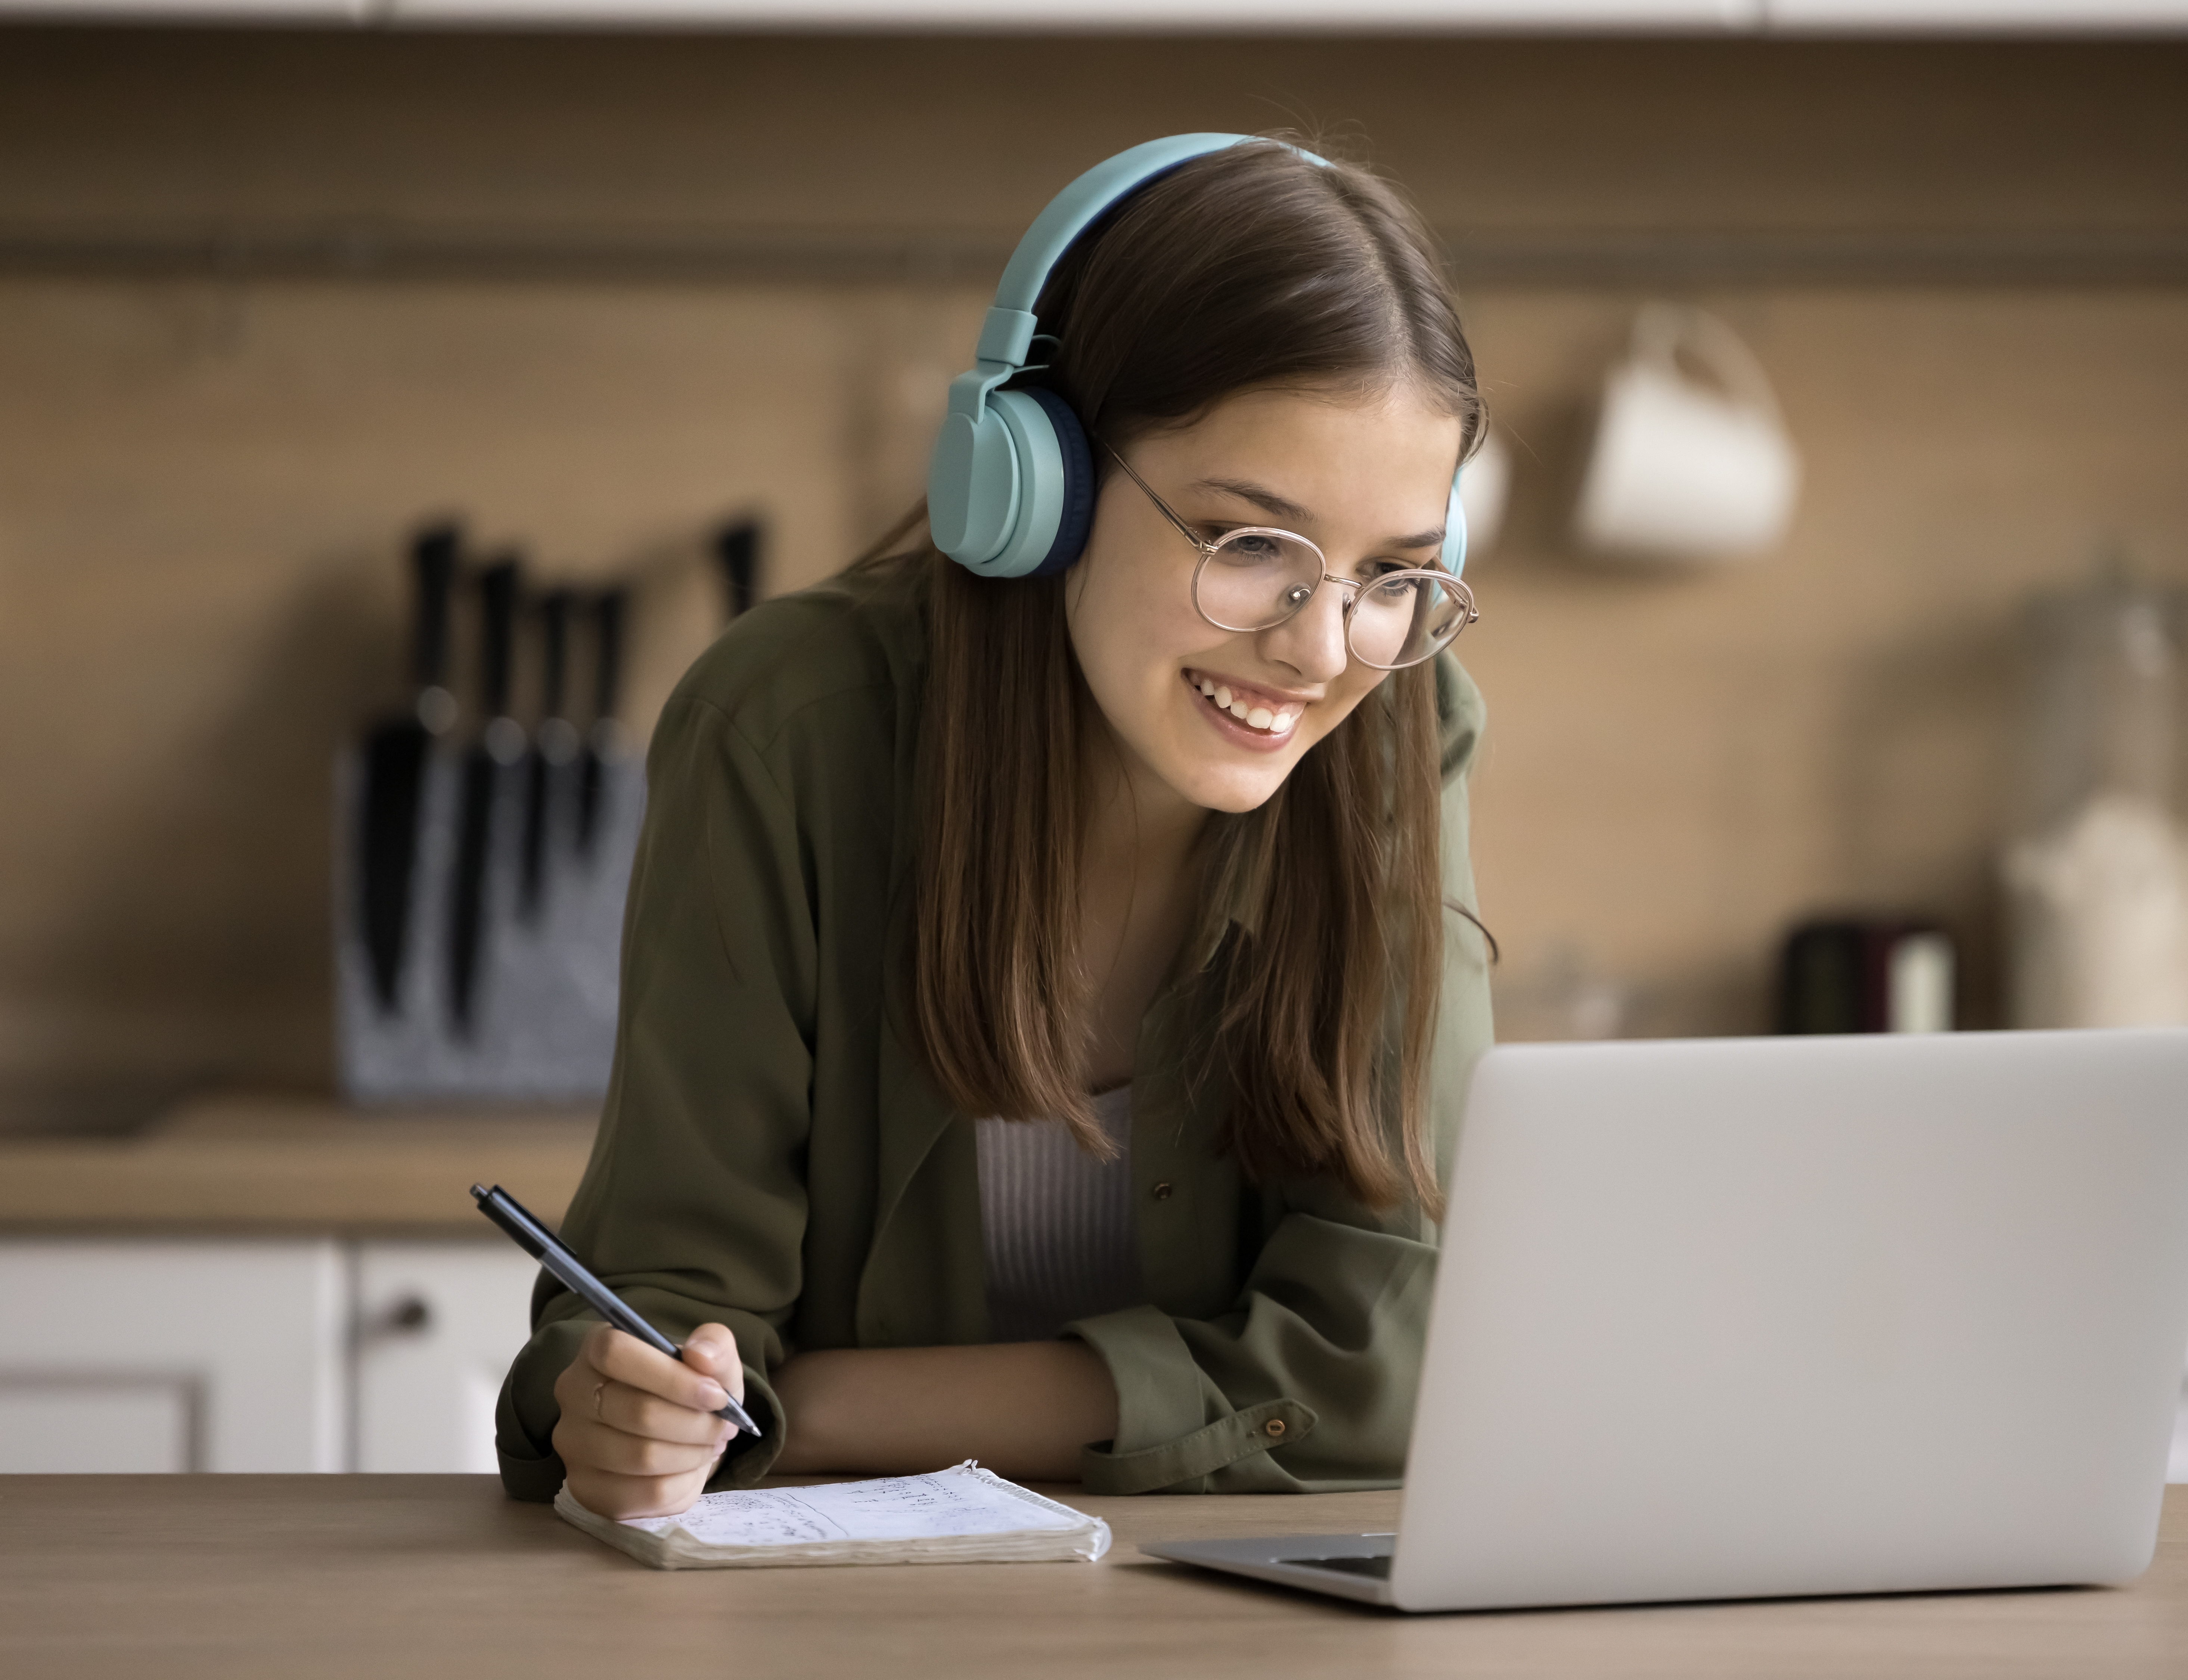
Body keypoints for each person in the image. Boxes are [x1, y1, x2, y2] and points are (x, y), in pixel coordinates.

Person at [496, 134, 1495, 1516]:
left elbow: (1401, 1353)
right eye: (1248, 543)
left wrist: (830, 1408)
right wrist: (623, 1406)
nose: (1321, 649)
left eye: (1391, 573)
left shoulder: (1400, 721)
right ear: (1037, 490)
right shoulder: (787, 731)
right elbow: (666, 1307)